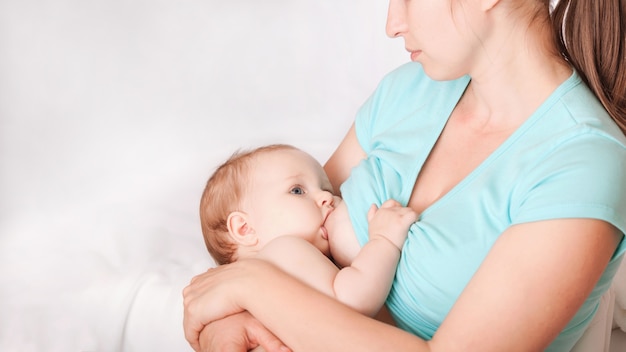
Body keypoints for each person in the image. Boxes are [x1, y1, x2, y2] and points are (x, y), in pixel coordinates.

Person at [183, 0, 626, 351]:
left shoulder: (584, 165)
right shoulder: (407, 91)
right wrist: (227, 323)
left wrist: (251, 288)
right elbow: (266, 228)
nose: (392, 23)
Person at [199, 143, 417, 317]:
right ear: (245, 229)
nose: (327, 197)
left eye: (325, 189)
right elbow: (351, 302)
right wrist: (383, 240)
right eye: (297, 190)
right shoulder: (283, 249)